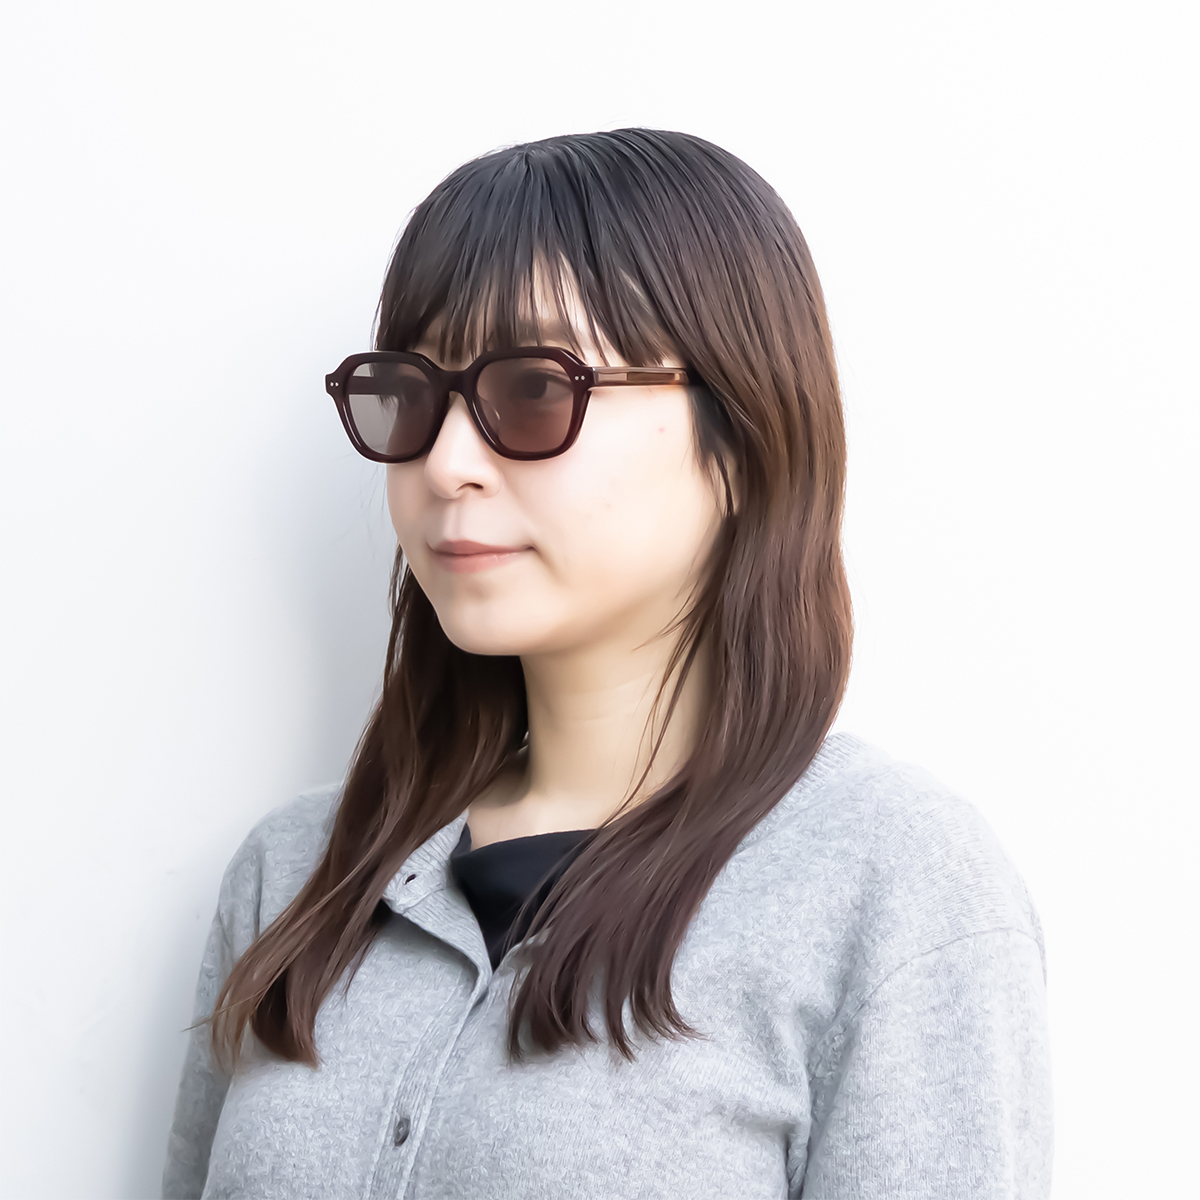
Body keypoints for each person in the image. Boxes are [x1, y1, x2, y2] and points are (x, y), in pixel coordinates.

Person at [162, 129, 1052, 1199]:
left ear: (740, 439)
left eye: (535, 390)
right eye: (413, 394)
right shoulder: (298, 871)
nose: (445, 463)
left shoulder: (892, 883)